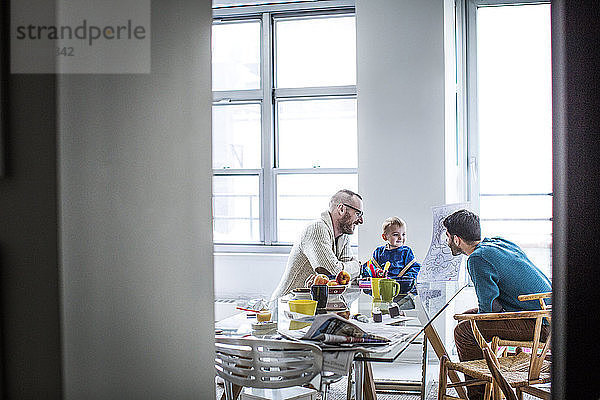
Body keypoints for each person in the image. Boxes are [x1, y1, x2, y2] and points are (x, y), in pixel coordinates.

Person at [443, 209, 551, 400]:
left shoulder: (477, 258)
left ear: (457, 239)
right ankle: (488, 380)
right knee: (467, 318)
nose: (447, 240)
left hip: (540, 325)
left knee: (464, 332)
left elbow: (488, 310)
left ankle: (478, 395)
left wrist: (490, 309)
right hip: (549, 314)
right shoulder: (498, 242)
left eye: (448, 236)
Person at [270, 189, 363, 301]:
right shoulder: (317, 229)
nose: (361, 220)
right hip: (286, 307)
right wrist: (357, 266)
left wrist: (348, 268)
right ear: (341, 209)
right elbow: (333, 273)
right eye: (358, 213)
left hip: (312, 306)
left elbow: (345, 278)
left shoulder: (343, 235)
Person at [362, 216, 420, 298]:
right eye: (396, 234)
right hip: (382, 288)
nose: (400, 238)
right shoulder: (379, 252)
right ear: (385, 237)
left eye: (403, 234)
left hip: (400, 288)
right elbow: (369, 267)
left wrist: (407, 279)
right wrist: (372, 274)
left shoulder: (406, 251)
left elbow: (414, 267)